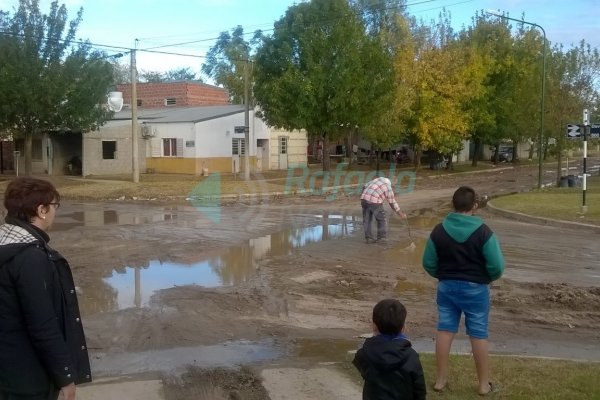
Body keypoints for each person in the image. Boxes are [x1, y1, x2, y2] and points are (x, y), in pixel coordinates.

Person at [0, 177, 91, 400]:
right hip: (27, 379)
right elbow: (43, 325)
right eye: (53, 206)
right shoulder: (31, 258)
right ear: (41, 210)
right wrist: (66, 378)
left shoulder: (6, 244)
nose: (54, 212)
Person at [422, 186, 505, 396]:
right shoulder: (484, 232)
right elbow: (497, 266)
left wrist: (442, 274)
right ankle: (483, 385)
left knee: (445, 329)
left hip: (446, 286)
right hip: (476, 289)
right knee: (478, 333)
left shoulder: (439, 230)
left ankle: (440, 381)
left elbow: (428, 262)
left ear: (453, 204)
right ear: (474, 206)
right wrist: (486, 278)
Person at [352, 298, 426, 400]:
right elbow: (419, 388)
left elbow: (361, 367)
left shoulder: (365, 353)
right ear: (403, 327)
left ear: (374, 326)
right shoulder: (411, 356)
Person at [360, 176, 406, 243]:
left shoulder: (378, 179)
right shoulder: (388, 187)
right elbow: (392, 202)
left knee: (367, 220)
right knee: (381, 219)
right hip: (375, 202)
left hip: (364, 200)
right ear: (392, 183)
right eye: (394, 185)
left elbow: (364, 186)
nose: (394, 187)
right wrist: (401, 214)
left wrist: (364, 195)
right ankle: (381, 238)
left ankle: (368, 238)